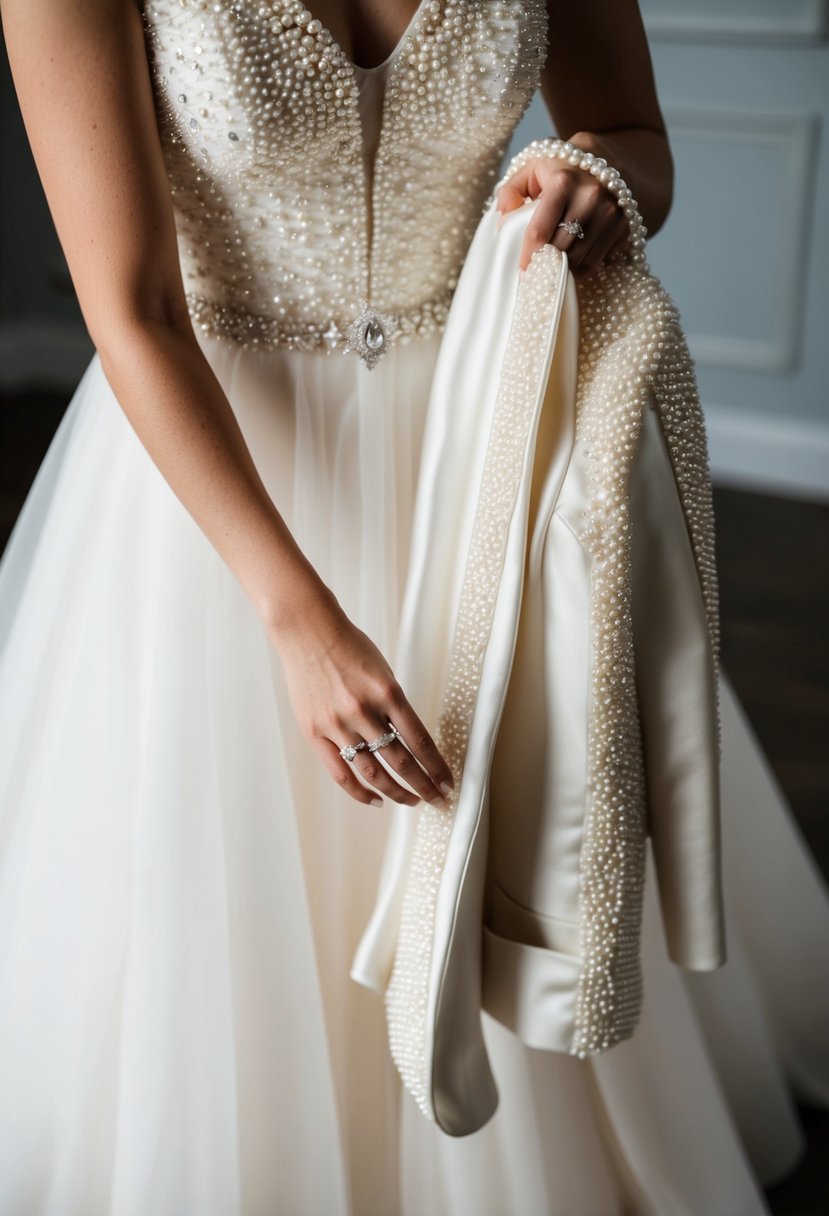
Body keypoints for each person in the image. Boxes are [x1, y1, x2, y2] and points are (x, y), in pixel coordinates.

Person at [0, 1, 826, 1212]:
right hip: (224, 479)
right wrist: (299, 619)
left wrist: (593, 179)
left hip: (484, 464)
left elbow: (632, 133)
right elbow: (133, 311)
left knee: (532, 833)